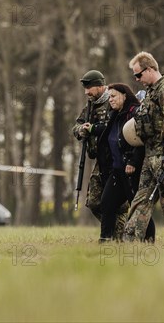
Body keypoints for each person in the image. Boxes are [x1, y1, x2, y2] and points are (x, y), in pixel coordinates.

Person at [123, 51, 164, 244]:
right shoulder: (152, 91)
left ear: (150, 69)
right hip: (151, 156)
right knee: (141, 199)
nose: (137, 79)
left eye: (139, 75)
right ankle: (129, 242)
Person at [72, 70, 126, 236]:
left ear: (101, 86)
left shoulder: (113, 102)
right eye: (85, 88)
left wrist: (94, 129)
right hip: (100, 160)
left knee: (119, 204)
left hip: (116, 159)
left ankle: (116, 236)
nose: (86, 92)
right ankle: (116, 231)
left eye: (89, 88)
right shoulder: (90, 106)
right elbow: (76, 126)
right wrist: (81, 130)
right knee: (94, 202)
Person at [99, 83, 155, 242]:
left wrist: (133, 162)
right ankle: (105, 240)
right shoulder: (113, 115)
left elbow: (141, 141)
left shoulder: (134, 113)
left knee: (137, 206)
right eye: (109, 97)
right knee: (106, 203)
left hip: (132, 170)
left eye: (114, 96)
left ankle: (149, 240)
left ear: (124, 95)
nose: (110, 100)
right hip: (116, 170)